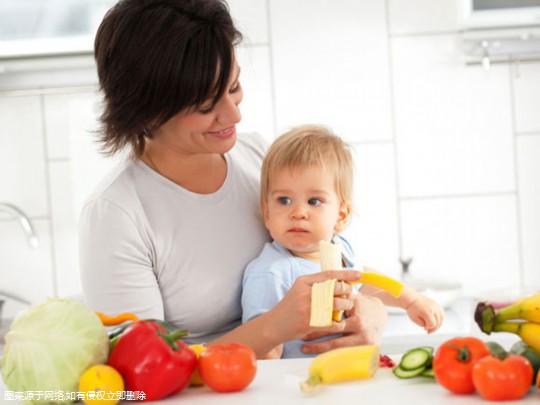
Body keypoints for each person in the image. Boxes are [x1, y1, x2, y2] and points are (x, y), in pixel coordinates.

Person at [79, 0, 389, 358]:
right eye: (207, 106)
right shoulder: (116, 215)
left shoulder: (259, 157)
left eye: (234, 87)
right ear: (145, 110)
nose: (234, 114)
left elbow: (331, 261)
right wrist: (271, 327)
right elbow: (138, 371)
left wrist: (371, 313)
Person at [242, 125, 445, 359]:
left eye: (314, 201)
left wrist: (412, 300)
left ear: (341, 215)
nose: (298, 212)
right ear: (267, 213)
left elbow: (363, 279)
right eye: (284, 200)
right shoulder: (271, 273)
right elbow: (262, 351)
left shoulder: (340, 248)